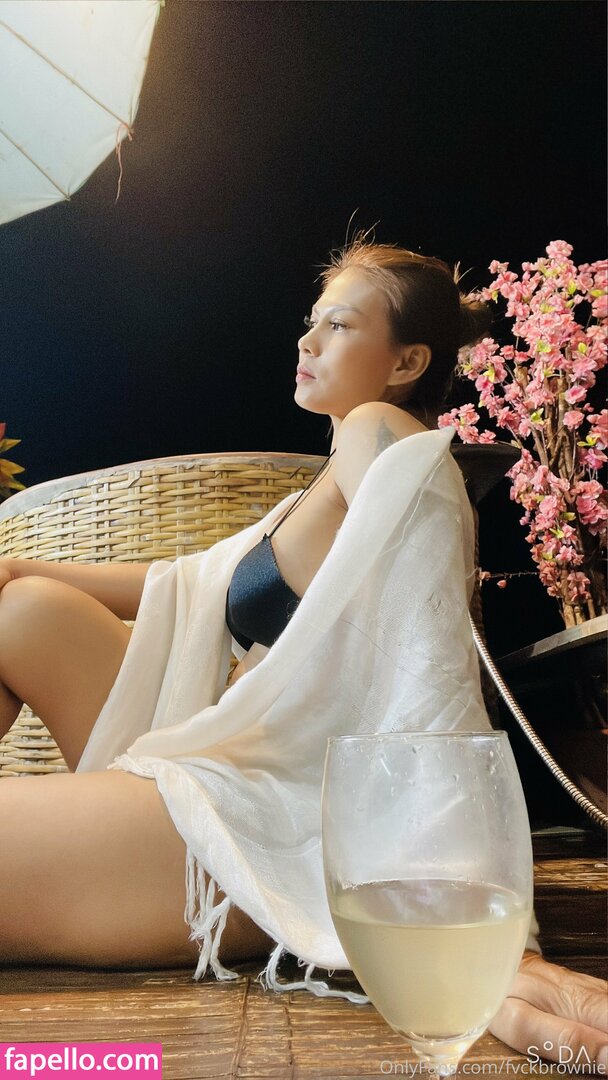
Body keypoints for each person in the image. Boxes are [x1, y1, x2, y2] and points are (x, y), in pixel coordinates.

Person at [0, 236, 605, 1066]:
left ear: (407, 362)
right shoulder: (315, 494)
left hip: (264, 821)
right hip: (230, 769)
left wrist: (457, 901)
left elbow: (425, 612)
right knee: (22, 610)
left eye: (340, 325)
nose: (307, 340)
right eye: (311, 321)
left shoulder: (382, 434)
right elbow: (186, 582)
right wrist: (18, 567)